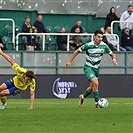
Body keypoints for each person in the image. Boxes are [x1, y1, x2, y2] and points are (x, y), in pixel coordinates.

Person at [66, 30, 118, 108]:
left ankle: (82, 97)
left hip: (96, 68)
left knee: (92, 87)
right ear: (94, 37)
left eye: (101, 37)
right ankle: (97, 103)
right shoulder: (88, 45)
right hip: (88, 67)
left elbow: (112, 54)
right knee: (96, 83)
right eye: (98, 37)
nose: (100, 39)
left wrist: (114, 60)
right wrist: (70, 61)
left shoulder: (104, 46)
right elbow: (77, 51)